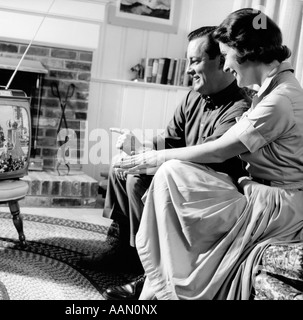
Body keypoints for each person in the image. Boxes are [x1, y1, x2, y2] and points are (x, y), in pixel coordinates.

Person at [115, 8, 303, 300]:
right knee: (171, 174)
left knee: (170, 173)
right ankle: (155, 284)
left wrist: (151, 159)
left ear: (245, 52)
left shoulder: (279, 100)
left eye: (226, 54)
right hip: (258, 191)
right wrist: (147, 152)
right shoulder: (272, 88)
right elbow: (179, 139)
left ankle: (157, 287)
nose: (226, 65)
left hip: (278, 207)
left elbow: (219, 151)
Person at [81, 26, 252, 300]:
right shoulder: (192, 97)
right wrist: (137, 146)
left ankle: (152, 268)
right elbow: (170, 142)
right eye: (188, 62)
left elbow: (207, 159)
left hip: (206, 192)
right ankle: (123, 249)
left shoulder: (238, 108)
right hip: (176, 174)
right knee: (121, 166)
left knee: (137, 178)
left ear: (221, 61)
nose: (189, 69)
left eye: (195, 61)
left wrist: (150, 160)